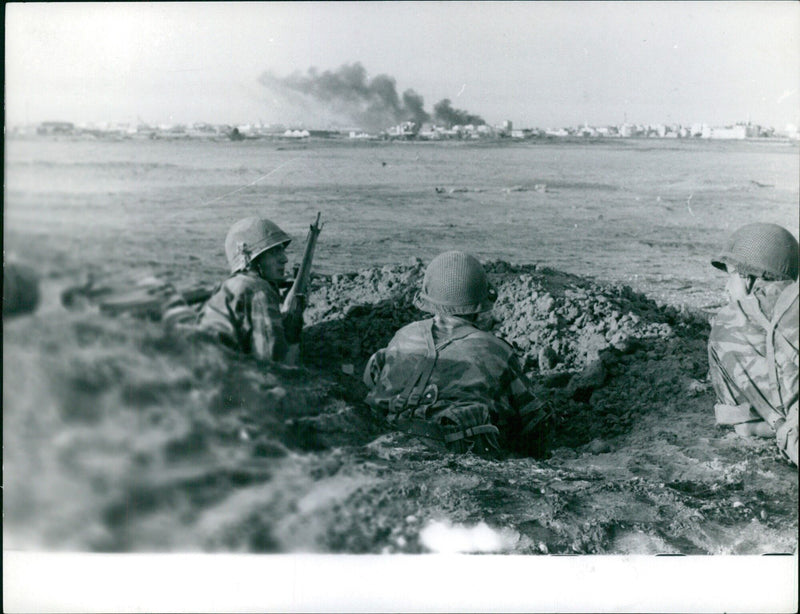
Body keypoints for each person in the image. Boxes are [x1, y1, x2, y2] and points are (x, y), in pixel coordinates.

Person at [363, 250, 551, 458]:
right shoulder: (497, 350)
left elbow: (373, 380)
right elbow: (532, 420)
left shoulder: (403, 336)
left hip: (387, 446)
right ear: (480, 303)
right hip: (456, 455)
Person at [707, 222, 798, 466]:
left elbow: (743, 424)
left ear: (748, 278)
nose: (727, 288)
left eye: (731, 276)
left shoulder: (732, 320)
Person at [165, 217, 303, 364]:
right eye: (274, 252)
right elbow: (275, 364)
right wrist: (294, 326)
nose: (284, 259)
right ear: (252, 259)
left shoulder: (234, 285)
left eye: (281, 250)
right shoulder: (258, 290)